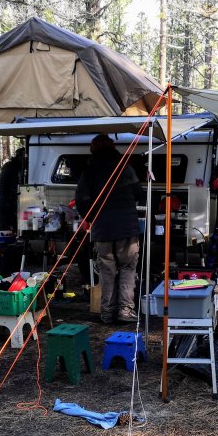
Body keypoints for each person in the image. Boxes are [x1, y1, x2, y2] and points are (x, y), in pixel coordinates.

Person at [74, 134, 141, 324]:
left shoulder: (89, 171)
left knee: (106, 270)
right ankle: (125, 311)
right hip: (127, 227)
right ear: (113, 147)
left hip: (102, 228)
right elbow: (139, 193)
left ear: (93, 149)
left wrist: (92, 218)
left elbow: (81, 200)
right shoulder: (125, 167)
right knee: (128, 267)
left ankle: (107, 313)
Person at [0, 148, 24, 235]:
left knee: (14, 231)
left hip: (11, 204)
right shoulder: (10, 166)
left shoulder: (19, 167)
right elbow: (0, 183)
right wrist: (9, 199)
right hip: (3, 204)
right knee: (4, 231)